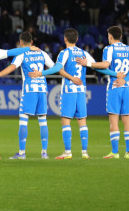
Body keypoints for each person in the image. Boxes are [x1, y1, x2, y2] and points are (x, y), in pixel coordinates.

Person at [78, 26, 129, 158]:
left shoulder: (109, 49)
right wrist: (127, 78)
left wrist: (89, 64)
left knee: (114, 120)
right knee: (127, 119)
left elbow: (105, 65)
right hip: (126, 88)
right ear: (121, 36)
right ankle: (128, 152)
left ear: (110, 36)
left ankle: (115, 152)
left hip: (114, 87)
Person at [0, 32, 51, 159]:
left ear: (21, 43)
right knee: (43, 121)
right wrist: (41, 73)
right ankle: (44, 152)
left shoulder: (22, 53)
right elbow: (56, 67)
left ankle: (22, 153)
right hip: (42, 89)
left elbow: (11, 67)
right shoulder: (42, 53)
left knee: (23, 120)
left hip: (29, 90)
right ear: (31, 42)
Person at [34, 28, 95, 159]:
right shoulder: (84, 53)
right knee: (82, 120)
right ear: (77, 39)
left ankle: (68, 152)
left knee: (65, 120)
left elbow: (57, 68)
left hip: (69, 90)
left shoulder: (64, 52)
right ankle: (85, 152)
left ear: (65, 39)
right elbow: (96, 65)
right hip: (81, 90)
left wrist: (41, 73)